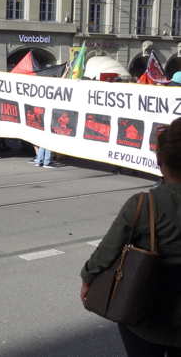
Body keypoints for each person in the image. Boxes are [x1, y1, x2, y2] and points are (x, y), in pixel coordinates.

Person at [80, 117, 181, 356]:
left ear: (160, 162)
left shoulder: (144, 204)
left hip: (146, 317)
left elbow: (107, 252)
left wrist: (88, 278)